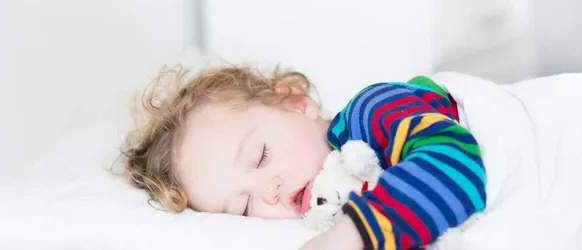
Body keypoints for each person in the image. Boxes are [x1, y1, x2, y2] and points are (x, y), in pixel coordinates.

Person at [121, 65, 486, 250]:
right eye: (244, 206)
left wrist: (352, 234)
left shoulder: (372, 111)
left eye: (260, 156)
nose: (269, 192)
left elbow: (457, 166)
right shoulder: (333, 201)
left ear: (296, 104)